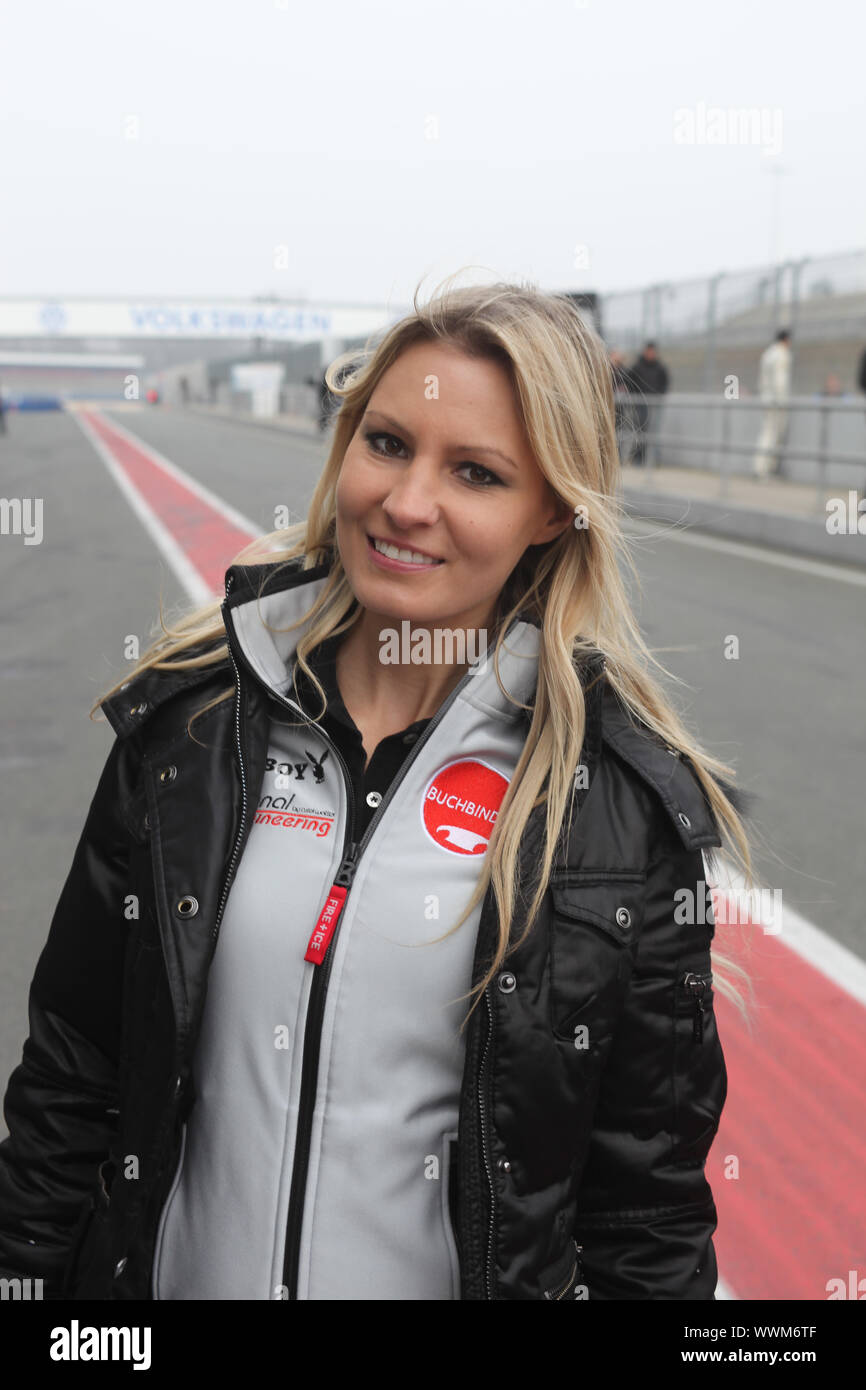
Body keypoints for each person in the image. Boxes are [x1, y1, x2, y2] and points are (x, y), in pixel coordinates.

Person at [0, 277, 755, 1302]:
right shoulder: (186, 728)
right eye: (388, 443)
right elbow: (70, 1084)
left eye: (476, 473)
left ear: (550, 512)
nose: (405, 503)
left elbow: (644, 1217)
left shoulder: (616, 811)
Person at [753, 328, 792, 479]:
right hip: (776, 401)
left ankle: (760, 468)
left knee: (767, 432)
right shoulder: (781, 354)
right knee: (772, 435)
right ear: (786, 340)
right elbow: (780, 381)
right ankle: (765, 470)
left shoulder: (768, 354)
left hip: (766, 398)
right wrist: (782, 402)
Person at [627, 341, 669, 466]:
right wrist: (635, 396)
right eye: (649, 351)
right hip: (640, 404)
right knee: (640, 430)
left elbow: (665, 383)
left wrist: (659, 395)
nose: (651, 354)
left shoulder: (660, 367)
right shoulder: (637, 367)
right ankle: (638, 458)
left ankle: (654, 460)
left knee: (654, 431)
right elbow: (630, 382)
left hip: (655, 404)